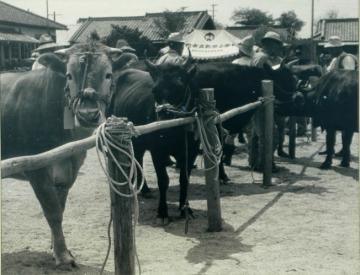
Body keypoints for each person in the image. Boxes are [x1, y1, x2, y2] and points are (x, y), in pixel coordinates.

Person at [250, 31, 286, 172]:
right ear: (271, 44)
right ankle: (265, 164)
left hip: (256, 97)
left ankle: (254, 161)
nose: (278, 49)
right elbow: (266, 79)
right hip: (262, 97)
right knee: (270, 135)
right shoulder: (264, 58)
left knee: (256, 134)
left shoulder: (257, 56)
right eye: (277, 45)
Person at [318, 36, 358, 156]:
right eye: (329, 48)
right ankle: (331, 149)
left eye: (332, 48)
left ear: (339, 48)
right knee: (331, 123)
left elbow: (349, 77)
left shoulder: (347, 58)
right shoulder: (335, 59)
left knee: (346, 124)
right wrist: (323, 64)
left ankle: (345, 149)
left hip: (346, 96)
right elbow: (327, 74)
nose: (330, 51)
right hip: (335, 95)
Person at [222, 35, 255, 166]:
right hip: (250, 99)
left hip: (234, 100)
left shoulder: (234, 64)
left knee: (231, 132)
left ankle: (227, 158)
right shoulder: (253, 63)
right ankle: (252, 160)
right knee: (250, 132)